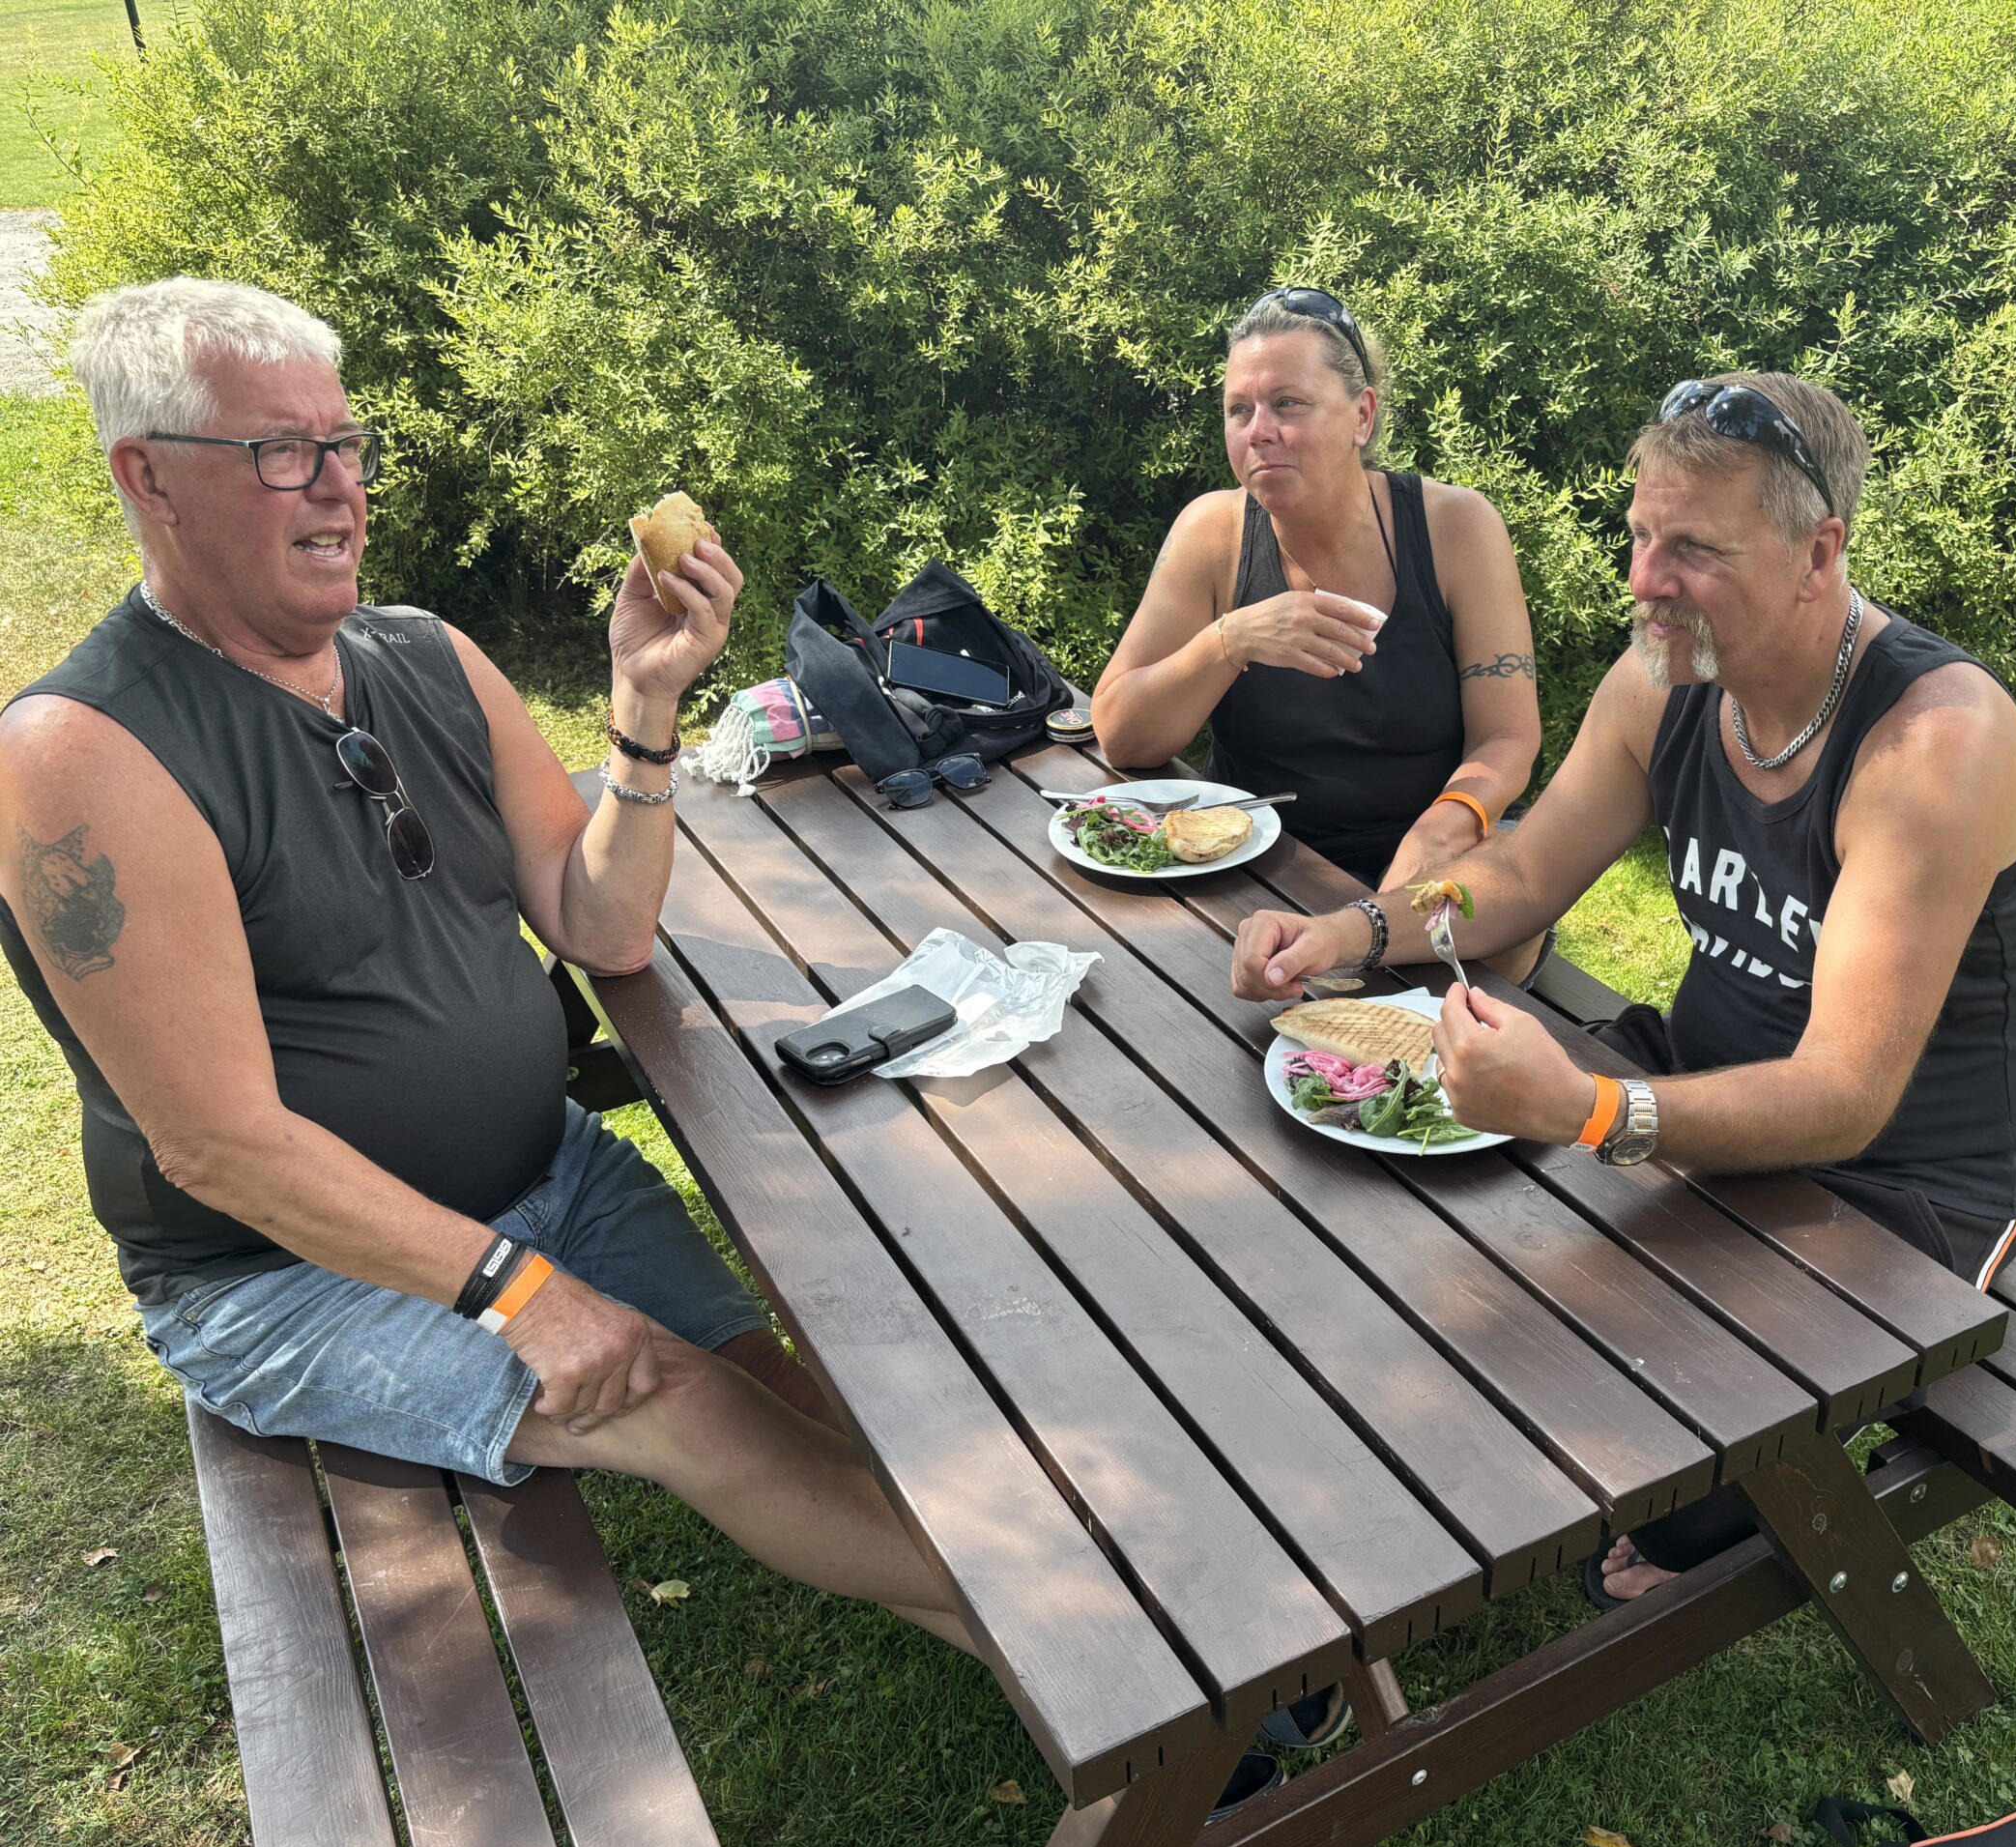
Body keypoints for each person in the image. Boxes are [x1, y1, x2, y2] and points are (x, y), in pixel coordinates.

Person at [0, 278, 969, 1653]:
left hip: (548, 1173)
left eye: (346, 443)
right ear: (146, 478)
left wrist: (644, 705)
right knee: (685, 1400)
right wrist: (519, 1292)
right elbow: (218, 1148)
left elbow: (602, 927)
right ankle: (1144, 1642)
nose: (338, 487)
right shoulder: (82, 756)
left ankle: (1143, 1685)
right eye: (280, 452)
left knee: (794, 1396)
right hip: (284, 1277)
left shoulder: (428, 657)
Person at [1232, 372, 2016, 1607]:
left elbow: (1845, 1097)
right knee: (1401, 1250)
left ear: (1817, 553)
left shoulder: (1932, 746)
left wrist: (1585, 1112)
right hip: (1693, 1084)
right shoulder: (1663, 678)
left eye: (1693, 551)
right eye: (1638, 536)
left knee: (1644, 1460)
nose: (1643, 581)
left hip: (1904, 1187)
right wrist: (1353, 927)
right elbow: (1522, 873)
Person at [1091, 286, 1542, 898]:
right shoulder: (1213, 533)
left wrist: (1441, 831)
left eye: (1288, 403)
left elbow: (1508, 737)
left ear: (1362, 416)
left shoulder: (1456, 527)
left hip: (1432, 852)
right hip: (1253, 863)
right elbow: (1123, 737)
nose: (1259, 431)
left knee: (1498, 917)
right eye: (1238, 410)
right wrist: (1230, 639)